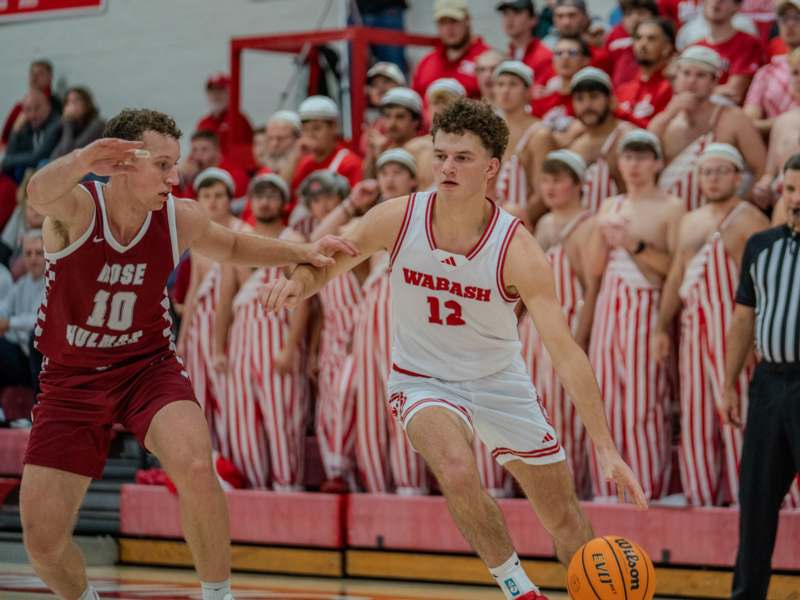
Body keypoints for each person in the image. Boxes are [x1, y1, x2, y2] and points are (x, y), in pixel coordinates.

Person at [259, 98, 646, 600]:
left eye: (461, 157)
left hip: (500, 382)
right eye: (440, 154)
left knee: (565, 520)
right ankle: (518, 589)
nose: (446, 166)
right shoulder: (399, 217)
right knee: (457, 469)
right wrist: (299, 283)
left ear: (490, 167)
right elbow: (328, 260)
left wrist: (606, 447)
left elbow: (565, 351)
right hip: (422, 379)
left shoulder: (517, 248)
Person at [21, 108, 355, 600]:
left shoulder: (179, 216)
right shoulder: (78, 210)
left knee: (198, 468)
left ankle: (218, 595)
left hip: (146, 367)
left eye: (176, 163)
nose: (175, 177)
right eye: (162, 165)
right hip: (71, 381)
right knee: (43, 544)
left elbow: (234, 246)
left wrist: (301, 251)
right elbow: (37, 194)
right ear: (122, 164)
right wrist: (85, 158)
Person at [653, 143, 769, 506]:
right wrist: (660, 326)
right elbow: (676, 275)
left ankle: (746, 498)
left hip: (731, 324)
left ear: (737, 176)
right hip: (694, 326)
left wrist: (759, 337)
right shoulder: (690, 219)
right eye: (706, 171)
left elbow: (765, 283)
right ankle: (701, 496)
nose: (713, 178)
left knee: (738, 412)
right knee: (697, 413)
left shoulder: (749, 218)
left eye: (721, 171)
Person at [584, 129, 684, 501]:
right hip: (611, 304)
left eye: (643, 157)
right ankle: (607, 491)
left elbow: (673, 269)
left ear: (657, 162)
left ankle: (649, 489)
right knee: (604, 399)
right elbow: (595, 268)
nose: (635, 165)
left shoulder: (671, 207)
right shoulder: (610, 204)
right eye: (629, 157)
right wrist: (602, 232)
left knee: (644, 402)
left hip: (646, 304)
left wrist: (632, 243)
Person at [724, 153, 800, 599]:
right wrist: (728, 383)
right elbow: (742, 320)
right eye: (790, 190)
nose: (795, 200)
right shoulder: (761, 245)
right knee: (755, 504)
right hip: (769, 385)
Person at [214, 173, 309, 490]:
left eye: (272, 195)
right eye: (259, 195)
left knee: (283, 421)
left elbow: (304, 302)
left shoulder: (293, 241)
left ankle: (287, 489)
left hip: (277, 337)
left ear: (283, 202)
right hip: (242, 342)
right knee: (243, 424)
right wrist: (218, 349)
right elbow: (225, 300)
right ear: (251, 201)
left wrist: (289, 347)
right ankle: (253, 492)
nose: (265, 201)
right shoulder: (237, 242)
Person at [518, 150, 593, 498]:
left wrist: (579, 340)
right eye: (545, 179)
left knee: (565, 408)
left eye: (558, 180)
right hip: (533, 328)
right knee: (533, 406)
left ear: (578, 184)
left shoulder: (587, 224)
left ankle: (570, 488)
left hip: (565, 324)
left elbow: (592, 290)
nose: (550, 187)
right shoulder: (544, 224)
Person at [176, 168, 247, 456]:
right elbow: (194, 288)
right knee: (200, 393)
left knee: (229, 395)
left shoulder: (242, 232)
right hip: (201, 325)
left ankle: (233, 458)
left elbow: (243, 290)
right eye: (206, 196)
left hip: (234, 325)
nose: (213, 202)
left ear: (230, 198)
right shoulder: (198, 237)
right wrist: (182, 336)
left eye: (219, 195)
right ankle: (210, 459)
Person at [651, 46, 765, 211]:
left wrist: (736, 209)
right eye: (686, 73)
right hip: (670, 217)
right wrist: (669, 114)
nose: (691, 81)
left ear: (714, 82)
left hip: (721, 217)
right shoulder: (664, 121)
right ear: (675, 78)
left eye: (701, 75)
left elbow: (761, 169)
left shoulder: (733, 118)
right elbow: (645, 166)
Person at [558, 67, 634, 214]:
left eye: (594, 97)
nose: (587, 105)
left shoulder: (626, 137)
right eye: (580, 99)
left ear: (611, 100)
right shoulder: (574, 144)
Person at [282, 96, 363, 217]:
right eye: (305, 130)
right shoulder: (304, 162)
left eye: (316, 128)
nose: (310, 135)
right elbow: (282, 193)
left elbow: (357, 206)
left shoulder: (349, 162)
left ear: (334, 127)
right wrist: (295, 156)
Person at [0, 230, 46, 409]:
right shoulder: (21, 285)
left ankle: (40, 409)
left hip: (43, 357)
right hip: (22, 356)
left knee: (35, 336)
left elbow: (40, 320)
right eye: (28, 253)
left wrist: (10, 323)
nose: (33, 259)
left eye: (39, 253)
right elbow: (4, 310)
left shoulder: (54, 282)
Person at [751, 48, 800, 211]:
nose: (799, 79)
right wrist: (763, 187)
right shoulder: (781, 122)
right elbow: (770, 173)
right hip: (785, 205)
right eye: (795, 73)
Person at [411, 0, 490, 100]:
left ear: (467, 20)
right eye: (443, 22)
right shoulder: (426, 62)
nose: (449, 28)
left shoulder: (487, 60)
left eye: (454, 21)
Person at [742, 0, 800, 135]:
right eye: (784, 19)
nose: (790, 24)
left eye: (797, 18)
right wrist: (788, 121)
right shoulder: (766, 72)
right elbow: (749, 122)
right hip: (778, 144)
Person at [493, 61, 543, 215]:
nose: (505, 90)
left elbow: (541, 195)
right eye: (500, 84)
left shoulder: (539, 134)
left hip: (518, 225)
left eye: (513, 84)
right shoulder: (488, 129)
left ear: (528, 92)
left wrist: (515, 225)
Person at [692, 0, 765, 105]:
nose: (716, 2)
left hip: (732, 115)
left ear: (737, 6)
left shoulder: (748, 43)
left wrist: (694, 91)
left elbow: (734, 93)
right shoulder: (695, 47)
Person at [405, 79, 466, 191]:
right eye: (435, 102)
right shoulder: (414, 148)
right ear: (427, 108)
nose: (439, 108)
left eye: (446, 102)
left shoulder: (470, 150)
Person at [616, 18, 676, 127]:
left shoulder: (672, 89)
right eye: (638, 38)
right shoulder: (623, 90)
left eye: (651, 39)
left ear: (666, 47)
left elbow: (657, 134)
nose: (643, 44)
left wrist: (620, 113)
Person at [2, 89, 61, 183]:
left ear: (48, 107)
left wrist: (6, 160)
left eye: (37, 108)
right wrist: (15, 131)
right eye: (28, 110)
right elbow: (10, 154)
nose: (33, 114)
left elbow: (37, 157)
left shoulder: (56, 124)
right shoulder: (29, 125)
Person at [195, 73, 254, 166]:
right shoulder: (203, 123)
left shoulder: (240, 121)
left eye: (220, 91)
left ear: (229, 93)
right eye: (212, 91)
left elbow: (249, 151)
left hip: (233, 169)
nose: (215, 95)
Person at [1, 60, 62, 149]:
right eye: (32, 74)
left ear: (50, 77)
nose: (34, 77)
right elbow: (4, 140)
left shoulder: (56, 104)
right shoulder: (19, 107)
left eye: (40, 74)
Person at [532, 36, 591, 127]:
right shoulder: (541, 99)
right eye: (559, 53)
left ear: (585, 60)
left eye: (572, 53)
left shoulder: (592, 99)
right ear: (552, 61)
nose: (565, 57)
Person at [364, 87, 422, 178]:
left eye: (400, 117)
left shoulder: (424, 153)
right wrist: (372, 156)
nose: (392, 124)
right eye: (387, 116)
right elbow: (369, 186)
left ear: (416, 121)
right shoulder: (382, 148)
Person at [175, 131, 250, 199]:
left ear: (217, 150)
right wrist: (180, 177)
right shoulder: (192, 171)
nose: (198, 155)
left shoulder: (236, 174)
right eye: (194, 150)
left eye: (204, 149)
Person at [603, 0, 660, 90]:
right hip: (620, 94)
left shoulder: (661, 38)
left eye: (641, 13)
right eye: (628, 14)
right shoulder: (613, 36)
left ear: (654, 16)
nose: (635, 18)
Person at [497, 0, 555, 86]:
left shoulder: (544, 57)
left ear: (533, 19)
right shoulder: (507, 54)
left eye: (517, 12)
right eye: (505, 13)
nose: (510, 19)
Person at [51, 87, 106, 160]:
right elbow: (54, 156)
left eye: (76, 101)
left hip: (96, 168)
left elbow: (70, 154)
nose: (72, 106)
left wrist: (67, 122)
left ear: (86, 104)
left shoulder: (97, 125)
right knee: (43, 163)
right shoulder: (73, 125)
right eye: (68, 102)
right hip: (78, 167)